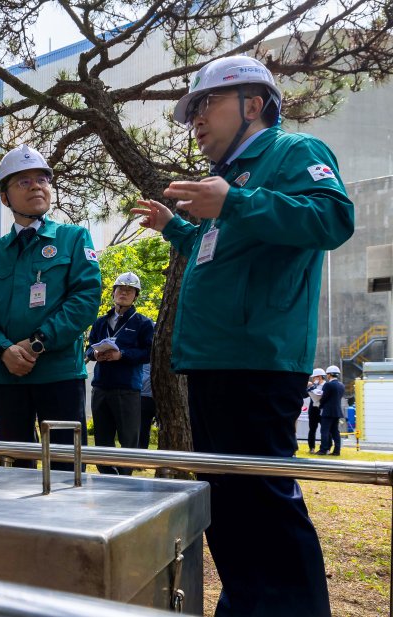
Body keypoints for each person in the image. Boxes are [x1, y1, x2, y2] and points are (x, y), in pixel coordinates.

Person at [132, 55, 354, 616]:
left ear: (253, 105)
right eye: (193, 112)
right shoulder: (225, 182)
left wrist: (236, 202)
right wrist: (174, 227)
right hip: (211, 362)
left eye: (206, 105)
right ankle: (248, 603)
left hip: (258, 362)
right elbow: (218, 253)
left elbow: (332, 219)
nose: (196, 121)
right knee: (228, 508)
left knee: (264, 507)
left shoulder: (292, 153)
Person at [0, 145, 101, 469]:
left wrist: (37, 342)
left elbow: (85, 299)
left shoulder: (74, 238)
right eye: (24, 182)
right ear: (5, 197)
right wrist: (4, 351)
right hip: (7, 376)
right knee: (15, 470)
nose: (37, 187)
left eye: (42, 179)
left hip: (59, 375)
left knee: (66, 469)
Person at [85, 272, 153, 474]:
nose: (123, 293)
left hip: (127, 389)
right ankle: (106, 478)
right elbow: (89, 348)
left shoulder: (143, 323)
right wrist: (95, 354)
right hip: (101, 387)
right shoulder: (100, 322)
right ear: (113, 293)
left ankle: (125, 482)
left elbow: (148, 353)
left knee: (128, 440)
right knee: (102, 440)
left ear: (135, 296)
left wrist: (121, 355)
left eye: (129, 290)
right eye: (120, 289)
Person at [317, 365, 345, 456]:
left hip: (328, 411)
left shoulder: (328, 385)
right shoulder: (341, 385)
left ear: (329, 375)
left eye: (327, 374)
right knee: (335, 432)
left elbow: (324, 398)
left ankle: (323, 450)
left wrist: (319, 404)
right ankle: (337, 451)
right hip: (337, 412)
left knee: (324, 431)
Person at [307, 368, 326, 454]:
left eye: (314, 377)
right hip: (313, 409)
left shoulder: (327, 385)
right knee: (312, 429)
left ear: (319, 377)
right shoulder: (313, 386)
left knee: (325, 429)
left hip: (322, 409)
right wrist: (310, 387)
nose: (313, 379)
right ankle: (312, 447)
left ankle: (325, 448)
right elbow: (306, 393)